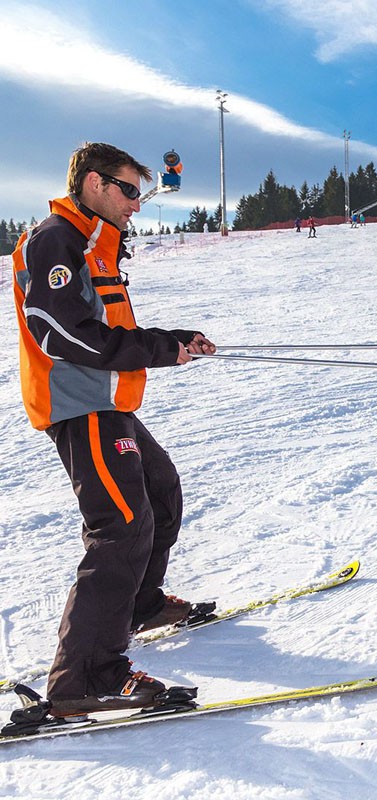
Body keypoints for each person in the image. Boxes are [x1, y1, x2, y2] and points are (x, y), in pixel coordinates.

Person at [9, 142, 217, 717]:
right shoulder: (57, 239)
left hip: (107, 401)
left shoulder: (96, 245)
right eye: (128, 190)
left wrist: (172, 340)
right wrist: (155, 351)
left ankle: (139, 606)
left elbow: (105, 325)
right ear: (94, 183)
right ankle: (85, 677)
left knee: (160, 492)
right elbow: (59, 331)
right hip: (78, 405)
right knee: (120, 525)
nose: (136, 203)